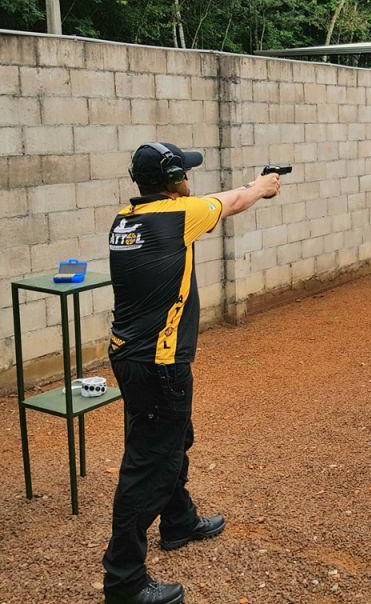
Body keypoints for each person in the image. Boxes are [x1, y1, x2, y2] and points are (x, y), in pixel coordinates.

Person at [102, 142, 281, 604]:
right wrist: (261, 186)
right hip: (160, 365)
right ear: (173, 180)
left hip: (133, 358)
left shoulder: (125, 219)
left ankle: (178, 520)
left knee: (173, 438)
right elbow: (234, 201)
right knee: (148, 465)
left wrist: (251, 187)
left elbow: (217, 201)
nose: (190, 180)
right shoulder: (178, 215)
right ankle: (124, 580)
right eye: (185, 173)